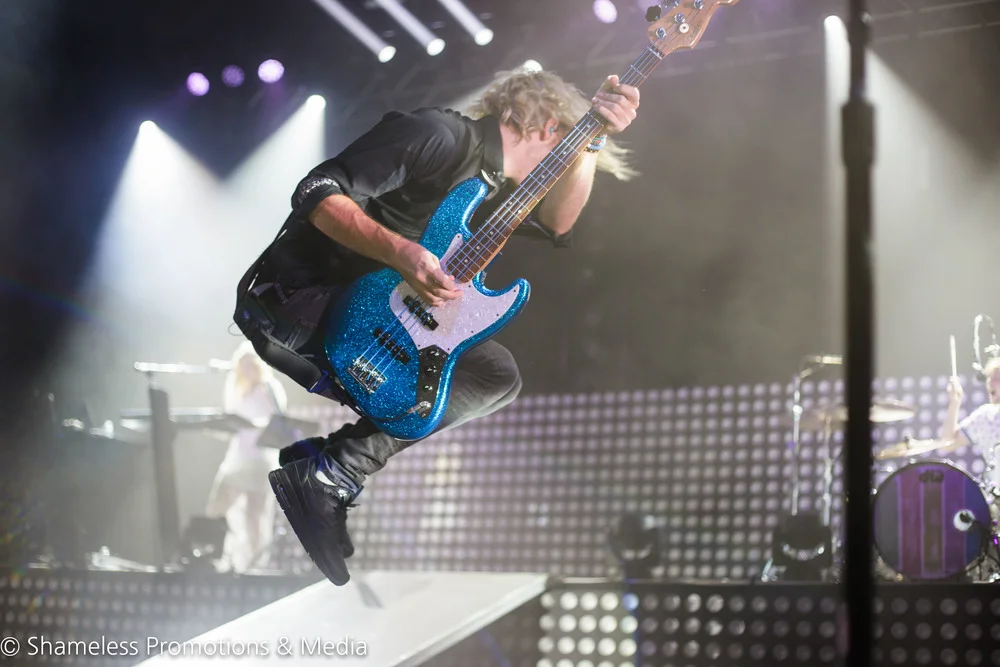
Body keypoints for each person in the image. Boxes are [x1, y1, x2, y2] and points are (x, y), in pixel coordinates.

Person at [233, 67, 641, 585]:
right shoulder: (440, 136)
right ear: (547, 128)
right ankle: (329, 470)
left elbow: (559, 223)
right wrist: (401, 253)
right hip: (295, 302)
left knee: (495, 375)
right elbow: (316, 191)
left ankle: (330, 468)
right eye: (568, 149)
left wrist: (592, 140)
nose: (564, 173)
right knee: (485, 374)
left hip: (372, 321)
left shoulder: (498, 196)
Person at [204, 341, 287, 571]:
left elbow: (279, 422)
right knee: (218, 508)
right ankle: (215, 557)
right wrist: (217, 426)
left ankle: (255, 566)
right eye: (243, 366)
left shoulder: (269, 388)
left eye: (251, 365)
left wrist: (254, 425)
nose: (247, 370)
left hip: (261, 463)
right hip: (237, 460)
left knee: (255, 516)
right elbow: (233, 427)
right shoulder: (237, 391)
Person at [940, 357, 1000, 492]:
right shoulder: (985, 416)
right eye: (989, 378)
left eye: (996, 377)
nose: (990, 382)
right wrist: (954, 402)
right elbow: (948, 443)